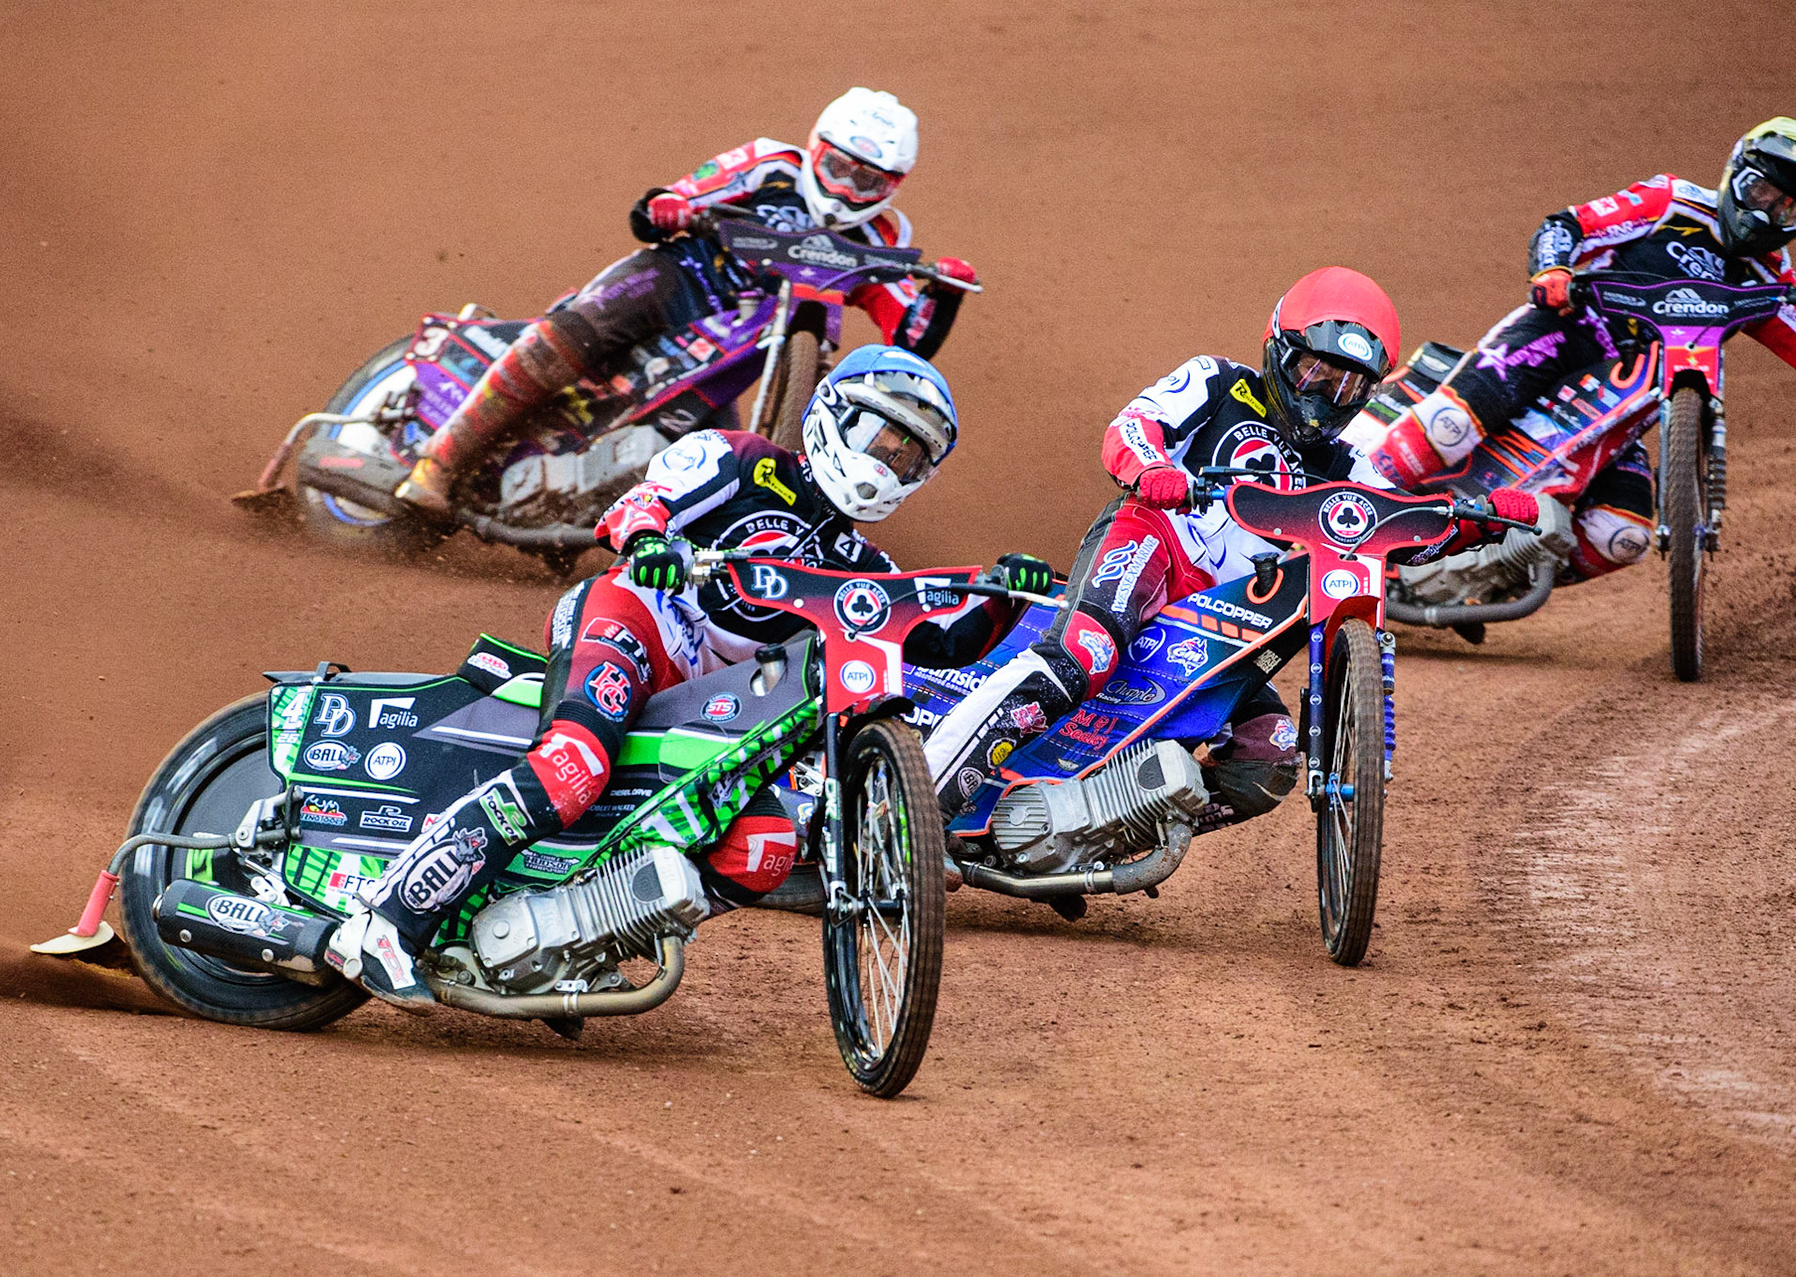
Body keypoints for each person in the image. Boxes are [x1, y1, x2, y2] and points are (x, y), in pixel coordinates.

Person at [328, 346, 1052, 1008]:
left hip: (711, 707)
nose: (885, 462)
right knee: (574, 765)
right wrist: (650, 542)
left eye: (907, 456)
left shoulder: (866, 568)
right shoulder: (739, 460)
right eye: (878, 437)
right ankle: (385, 920)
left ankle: (578, 935)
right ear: (833, 417)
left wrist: (1005, 599)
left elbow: (946, 642)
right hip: (636, 620)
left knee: (767, 842)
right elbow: (646, 502)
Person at [921, 267, 1548, 819]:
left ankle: (1102, 822)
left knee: (1270, 753)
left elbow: (1405, 527)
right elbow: (1133, 426)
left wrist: (1480, 520)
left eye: (1350, 386)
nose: (1326, 395)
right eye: (1316, 370)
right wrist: (1151, 471)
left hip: (1232, 622)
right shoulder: (1217, 382)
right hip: (1156, 545)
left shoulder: (1346, 464)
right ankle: (923, 800)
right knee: (1081, 653)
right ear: (1281, 349)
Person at [394, 87, 978, 514]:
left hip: (757, 342)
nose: (847, 190)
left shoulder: (885, 238)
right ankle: (438, 463)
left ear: (893, 185)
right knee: (578, 332)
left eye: (869, 182)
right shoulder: (770, 164)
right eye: (837, 168)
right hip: (681, 282)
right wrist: (670, 206)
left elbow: (909, 340)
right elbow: (669, 202)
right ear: (814, 148)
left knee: (707, 449)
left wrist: (945, 294)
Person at [1369, 118, 1796, 596]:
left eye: (1787, 209)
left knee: (1622, 537)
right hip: (1563, 337)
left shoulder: (1770, 277)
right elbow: (1568, 225)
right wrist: (1552, 271)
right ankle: (1344, 517)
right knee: (1447, 426)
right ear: (1733, 174)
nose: (1764, 214)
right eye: (1759, 192)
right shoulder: (1672, 201)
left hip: (1626, 401)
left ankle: (1481, 579)